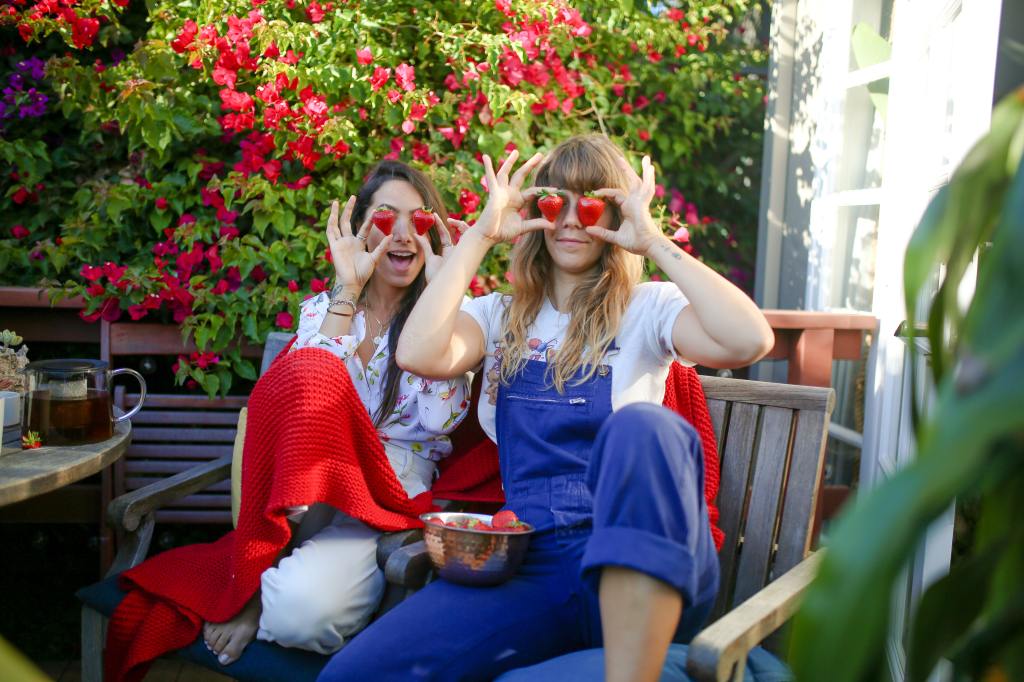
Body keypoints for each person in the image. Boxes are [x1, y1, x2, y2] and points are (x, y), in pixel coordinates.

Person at [315, 134, 774, 682]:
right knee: (352, 675)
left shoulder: (648, 309)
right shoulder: (498, 316)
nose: (572, 220)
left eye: (592, 204)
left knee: (645, 428)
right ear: (536, 214)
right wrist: (482, 234)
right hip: (535, 564)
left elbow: (749, 340)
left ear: (616, 215)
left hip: (645, 556)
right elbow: (417, 353)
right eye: (556, 204)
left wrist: (652, 241)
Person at [201, 160, 472, 665]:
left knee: (298, 616)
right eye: (387, 218)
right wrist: (348, 288)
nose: (404, 235)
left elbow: (439, 419)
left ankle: (264, 589)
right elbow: (304, 399)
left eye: (419, 221)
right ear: (362, 229)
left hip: (388, 495)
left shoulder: (454, 314)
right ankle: (259, 579)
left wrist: (441, 296)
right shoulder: (321, 310)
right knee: (312, 379)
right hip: (310, 482)